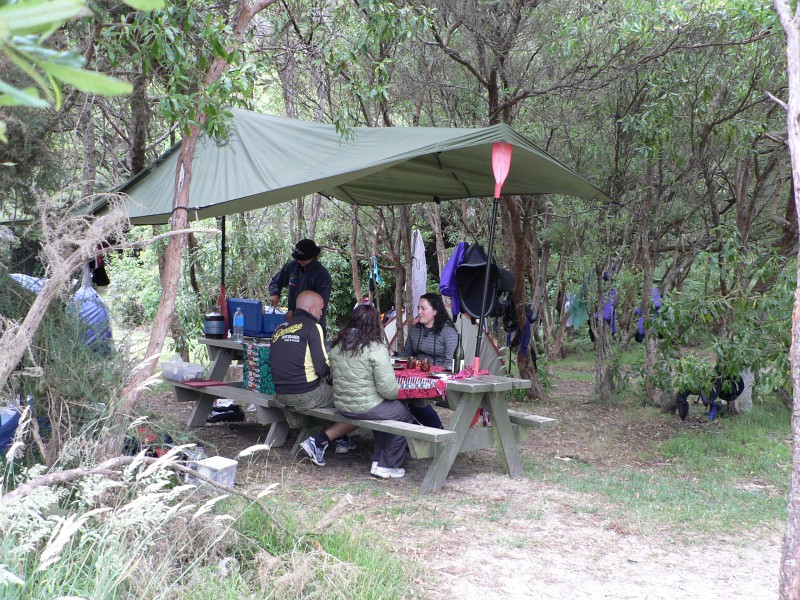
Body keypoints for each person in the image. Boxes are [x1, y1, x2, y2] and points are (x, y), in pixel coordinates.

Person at [269, 290, 356, 466]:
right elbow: (322, 368)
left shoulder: (280, 327)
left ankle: (340, 438)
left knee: (333, 394)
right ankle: (322, 441)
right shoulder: (312, 327)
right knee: (355, 401)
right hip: (305, 395)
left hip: (280, 394)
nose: (322, 313)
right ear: (311, 308)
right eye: (321, 309)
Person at [329, 305, 415, 479]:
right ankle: (387, 465)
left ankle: (378, 460)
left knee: (387, 414)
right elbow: (389, 390)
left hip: (342, 404)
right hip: (365, 407)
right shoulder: (375, 347)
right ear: (375, 324)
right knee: (404, 415)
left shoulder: (337, 345)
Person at [397, 293, 458, 429]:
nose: (419, 312)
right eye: (419, 308)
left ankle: (437, 431)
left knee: (415, 400)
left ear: (435, 311)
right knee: (396, 397)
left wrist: (428, 370)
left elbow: (450, 364)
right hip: (414, 378)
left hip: (437, 379)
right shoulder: (415, 330)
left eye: (423, 308)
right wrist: (394, 356)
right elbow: (406, 354)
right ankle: (409, 434)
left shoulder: (448, 332)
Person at [269, 239, 332, 333]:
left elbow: (319, 307)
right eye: (297, 258)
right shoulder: (292, 266)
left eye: (302, 259)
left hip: (313, 326)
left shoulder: (322, 276)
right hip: (292, 324)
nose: (299, 261)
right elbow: (275, 281)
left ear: (312, 257)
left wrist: (295, 314)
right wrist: (275, 293)